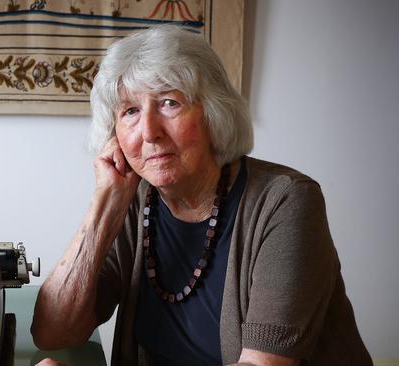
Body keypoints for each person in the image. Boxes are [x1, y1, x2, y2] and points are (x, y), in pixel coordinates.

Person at [31, 24, 372, 366]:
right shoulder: (134, 202)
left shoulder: (286, 202)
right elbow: (53, 333)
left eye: (169, 102)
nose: (149, 132)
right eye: (130, 111)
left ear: (213, 112)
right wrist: (103, 206)